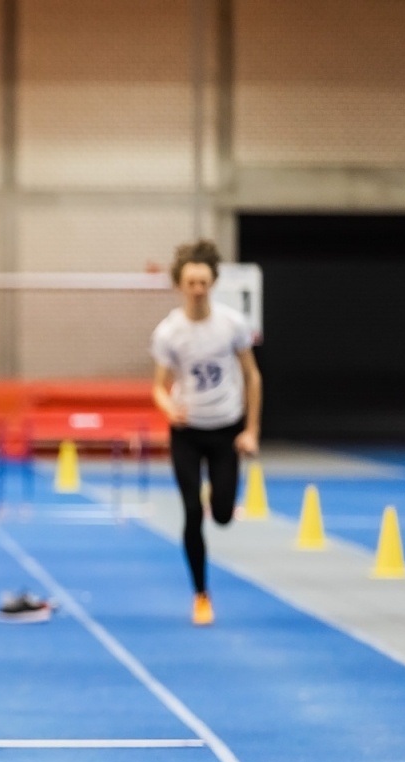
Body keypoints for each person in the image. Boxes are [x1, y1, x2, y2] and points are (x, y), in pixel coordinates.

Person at [150, 238, 262, 626]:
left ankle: (221, 493)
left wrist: (251, 429)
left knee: (224, 516)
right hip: (187, 432)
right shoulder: (169, 332)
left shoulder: (231, 324)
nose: (197, 289)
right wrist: (168, 407)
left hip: (226, 429)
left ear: (213, 282)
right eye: (190, 283)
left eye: (203, 282)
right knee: (192, 512)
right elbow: (158, 387)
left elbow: (252, 375)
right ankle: (201, 594)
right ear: (180, 284)